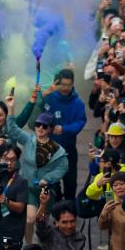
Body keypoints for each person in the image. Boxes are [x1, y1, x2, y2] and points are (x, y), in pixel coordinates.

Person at [5, 93, 68, 240]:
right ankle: (28, 246)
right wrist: (11, 108)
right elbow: (12, 129)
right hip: (29, 188)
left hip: (46, 191)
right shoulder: (29, 140)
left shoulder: (57, 149)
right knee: (29, 219)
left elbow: (63, 167)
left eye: (44, 126)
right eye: (38, 124)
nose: (40, 128)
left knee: (42, 223)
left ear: (50, 129)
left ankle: (41, 246)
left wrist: (48, 178)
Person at [41, 69, 87, 200]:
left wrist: (65, 129)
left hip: (68, 148)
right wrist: (43, 95)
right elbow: (37, 113)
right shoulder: (49, 98)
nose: (66, 88)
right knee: (52, 182)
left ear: (73, 84)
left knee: (70, 181)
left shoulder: (78, 103)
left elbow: (80, 121)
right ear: (58, 83)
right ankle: (56, 206)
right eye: (63, 84)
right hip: (50, 148)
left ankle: (70, 206)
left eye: (69, 85)